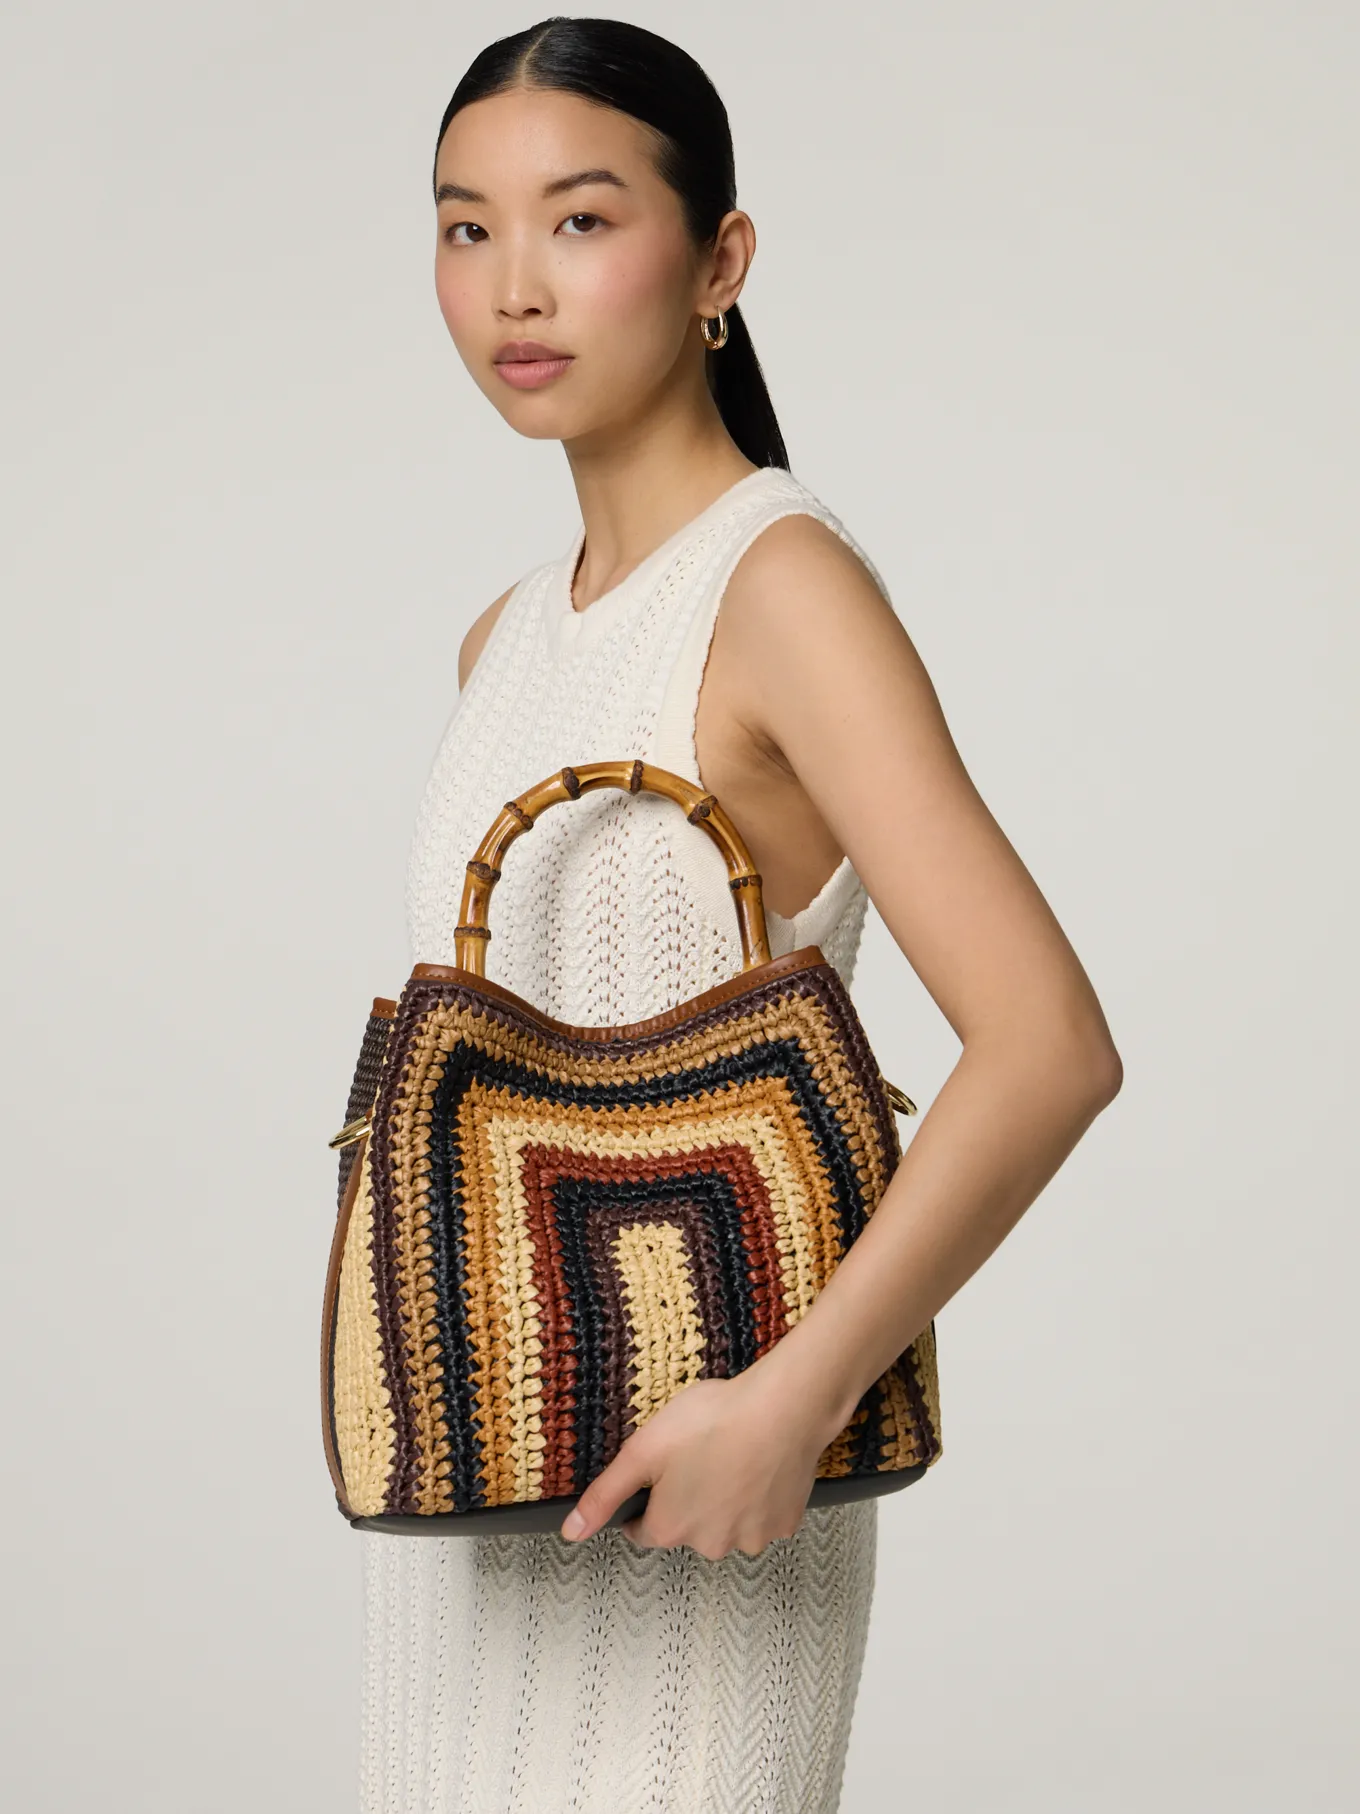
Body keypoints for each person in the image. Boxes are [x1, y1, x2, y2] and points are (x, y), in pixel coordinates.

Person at [362, 16, 1122, 1811]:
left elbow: (1049, 1046)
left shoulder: (783, 590)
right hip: (475, 1505)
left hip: (713, 1505)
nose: (514, 284)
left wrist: (795, 1400)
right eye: (467, 227)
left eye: (580, 219)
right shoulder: (504, 639)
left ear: (720, 263)